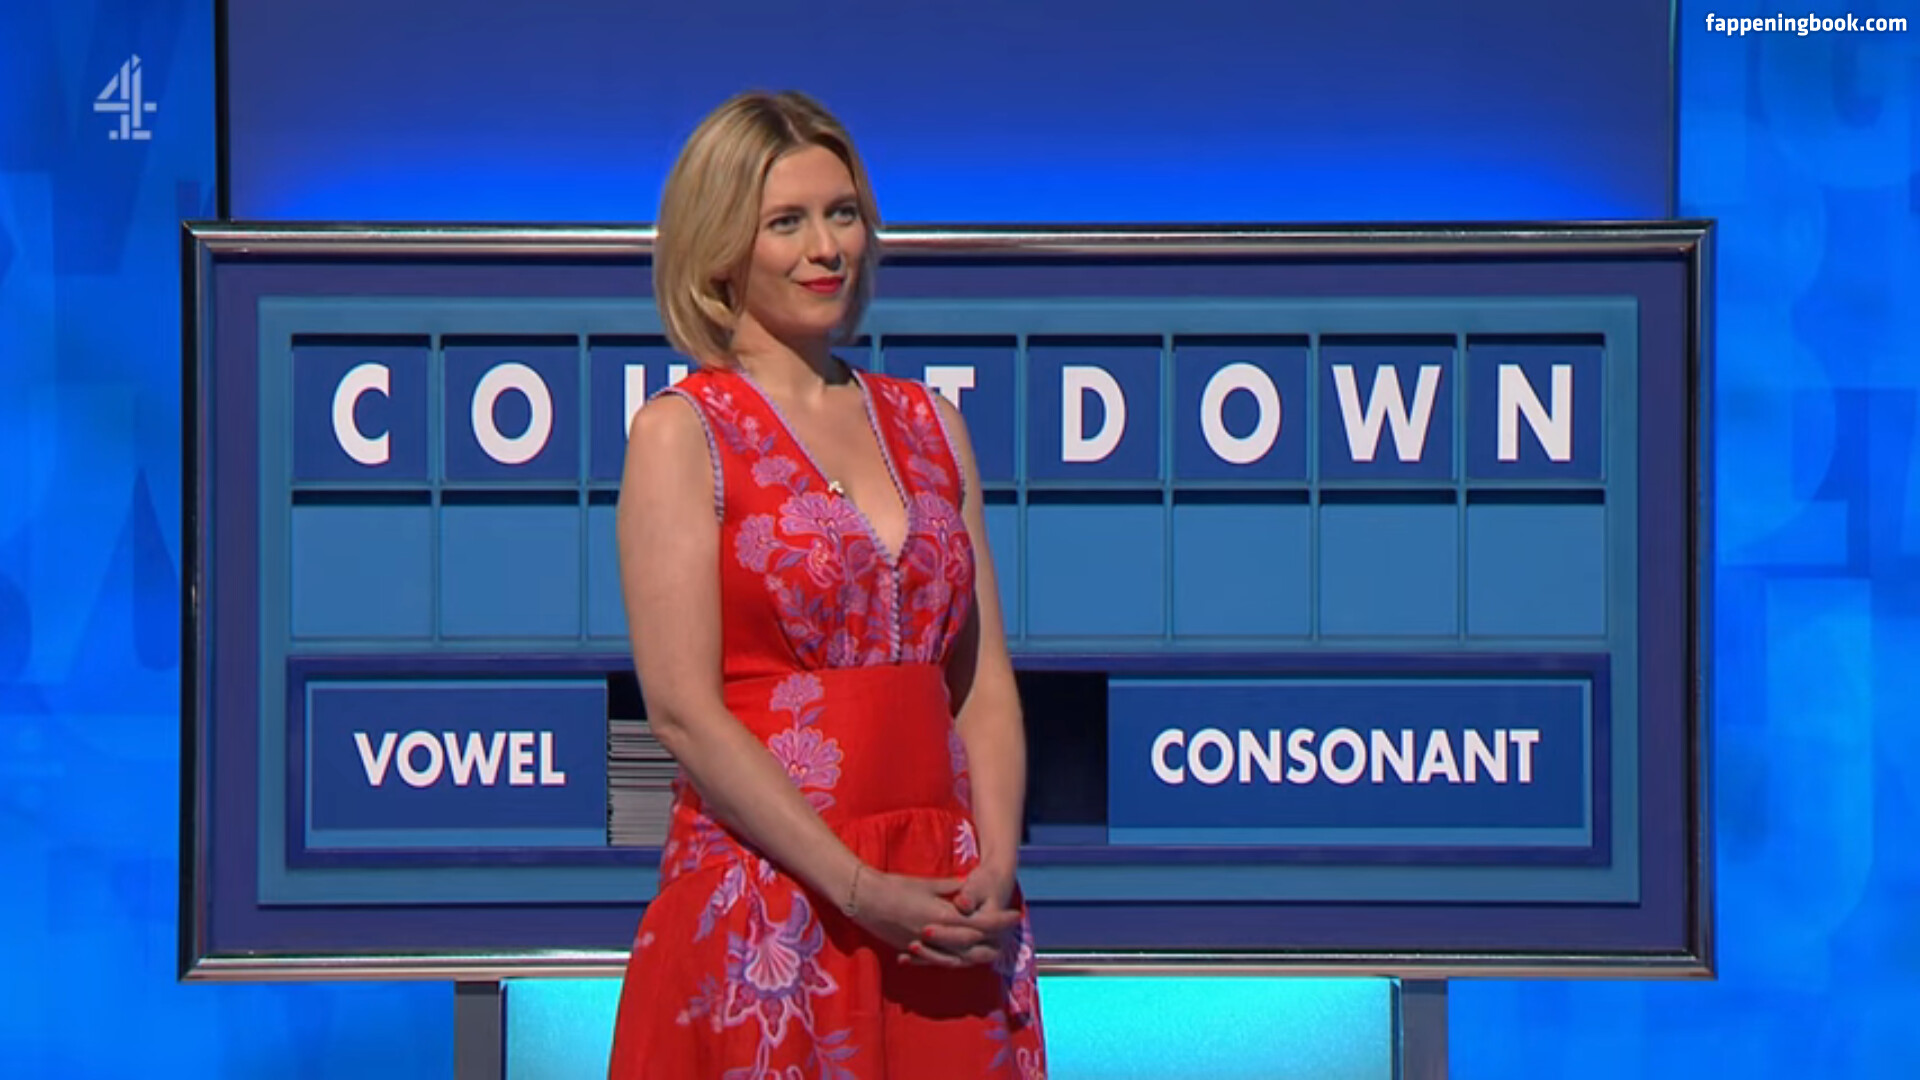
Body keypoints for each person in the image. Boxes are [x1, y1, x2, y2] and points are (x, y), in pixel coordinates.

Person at [606, 90, 1048, 1079]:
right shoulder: (682, 434)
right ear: (721, 248)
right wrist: (854, 886)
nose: (826, 249)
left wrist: (994, 866)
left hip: (946, 907)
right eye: (787, 222)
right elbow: (682, 713)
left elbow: (981, 685)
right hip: (772, 895)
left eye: (842, 214)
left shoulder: (932, 424)